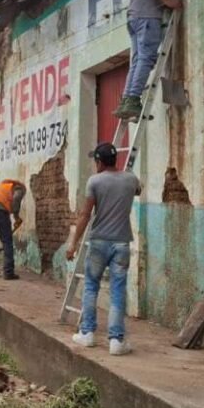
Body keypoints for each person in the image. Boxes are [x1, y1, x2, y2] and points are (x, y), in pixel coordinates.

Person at [66, 143, 141, 355]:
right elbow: (138, 189)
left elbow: (85, 214)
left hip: (99, 242)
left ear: (99, 162)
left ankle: (87, 333)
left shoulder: (95, 181)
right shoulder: (130, 178)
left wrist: (73, 244)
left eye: (95, 161)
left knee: (91, 286)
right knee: (118, 290)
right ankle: (116, 341)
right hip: (122, 243)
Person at [114, 0, 182, 121]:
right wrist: (167, 0)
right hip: (147, 17)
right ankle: (133, 100)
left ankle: (126, 100)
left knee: (136, 61)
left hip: (133, 18)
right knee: (146, 59)